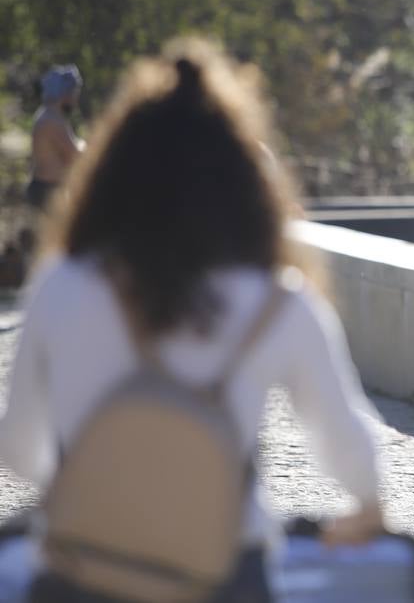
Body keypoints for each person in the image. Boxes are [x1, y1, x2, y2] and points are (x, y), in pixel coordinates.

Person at [0, 39, 385, 599]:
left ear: (113, 176)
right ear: (244, 182)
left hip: (85, 567)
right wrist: (368, 509)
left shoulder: (62, 285)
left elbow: (17, 446)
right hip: (226, 569)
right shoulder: (279, 301)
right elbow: (347, 440)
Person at [27, 65, 84, 210]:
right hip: (47, 191)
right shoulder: (52, 120)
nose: (76, 99)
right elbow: (74, 154)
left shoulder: (49, 116)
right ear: (65, 94)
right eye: (74, 93)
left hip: (45, 189)